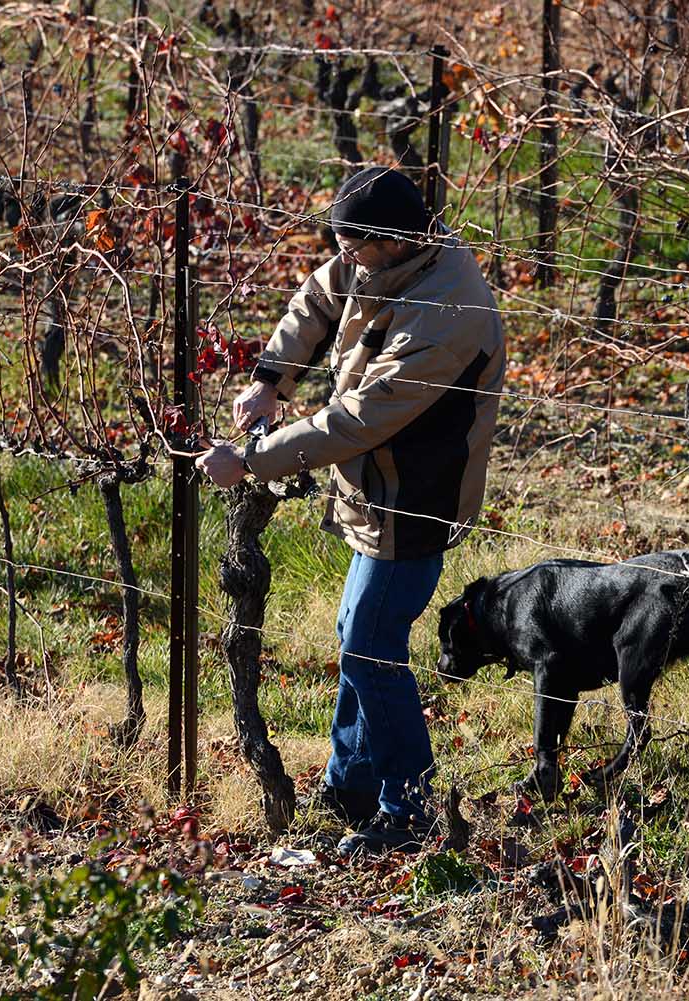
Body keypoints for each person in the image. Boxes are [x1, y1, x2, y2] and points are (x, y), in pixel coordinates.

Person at [196, 166, 505, 854]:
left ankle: (408, 808)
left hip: (415, 495)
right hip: (379, 487)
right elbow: (318, 296)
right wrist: (270, 377)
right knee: (357, 631)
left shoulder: (446, 314)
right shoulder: (385, 256)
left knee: (369, 645)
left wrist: (250, 459)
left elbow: (357, 421)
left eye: (355, 247)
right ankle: (353, 780)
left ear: (393, 243)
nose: (345, 260)